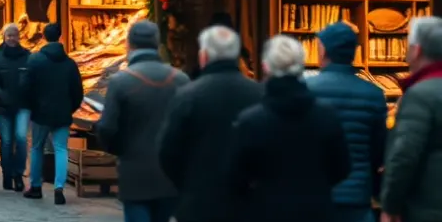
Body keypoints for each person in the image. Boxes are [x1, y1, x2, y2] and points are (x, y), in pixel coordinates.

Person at [228, 35, 350, 222]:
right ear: (301, 66)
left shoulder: (251, 121)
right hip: (317, 211)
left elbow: (235, 176)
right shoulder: (327, 116)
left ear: (265, 66)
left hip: (266, 211)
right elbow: (342, 168)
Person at [156, 25, 261, 222]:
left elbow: (167, 151)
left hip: (198, 203)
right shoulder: (259, 95)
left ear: (203, 56)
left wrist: (186, 183)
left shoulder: (188, 96)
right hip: (247, 204)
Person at [97, 21, 188, 222]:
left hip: (134, 172)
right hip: (170, 174)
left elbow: (107, 128)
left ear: (129, 45)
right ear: (158, 44)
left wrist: (120, 150)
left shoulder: (121, 81)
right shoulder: (180, 79)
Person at [304, 22, 387, 222]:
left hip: (314, 196)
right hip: (357, 198)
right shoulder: (374, 94)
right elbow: (379, 152)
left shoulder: (304, 89)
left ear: (323, 51)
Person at [381, 16, 442, 222]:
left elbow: (404, 156)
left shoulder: (420, 94)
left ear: (416, 51)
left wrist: (390, 206)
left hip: (427, 208)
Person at [22, 22, 82, 203]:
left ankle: (36, 186)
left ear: (44, 37)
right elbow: (78, 92)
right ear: (60, 37)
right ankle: (59, 188)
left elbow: (26, 87)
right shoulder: (70, 64)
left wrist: (32, 106)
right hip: (62, 113)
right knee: (61, 149)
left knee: (37, 148)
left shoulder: (35, 60)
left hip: (40, 113)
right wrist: (69, 107)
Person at [0, 23, 31, 193]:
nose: (12, 38)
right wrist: (0, 94)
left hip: (22, 105)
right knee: (6, 142)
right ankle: (7, 174)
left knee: (20, 139)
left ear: (19, 37)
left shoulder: (27, 56)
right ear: (4, 37)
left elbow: (33, 79)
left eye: (15, 35)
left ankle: (18, 174)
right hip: (3, 107)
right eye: (9, 35)